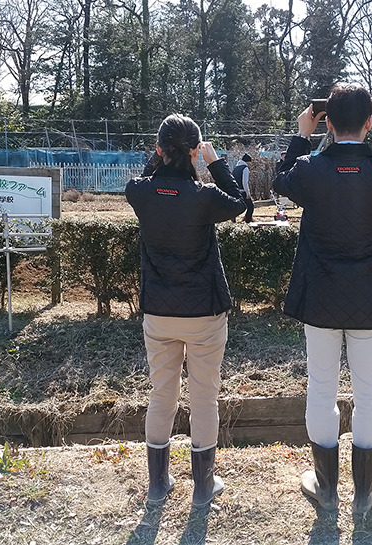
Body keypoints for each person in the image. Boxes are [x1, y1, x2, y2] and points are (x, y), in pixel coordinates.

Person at [274, 83, 372, 515]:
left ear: (328, 123)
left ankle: (327, 488)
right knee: (369, 391)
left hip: (319, 297)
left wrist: (301, 134)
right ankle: (362, 491)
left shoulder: (310, 169)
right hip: (370, 298)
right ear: (371, 121)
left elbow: (280, 181)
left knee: (321, 388)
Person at [124, 114, 246, 506]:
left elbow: (145, 180)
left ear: (159, 151)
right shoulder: (204, 197)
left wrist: (159, 157)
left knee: (162, 394)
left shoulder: (140, 193)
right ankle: (203, 486)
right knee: (204, 397)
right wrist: (213, 162)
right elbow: (241, 203)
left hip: (159, 312)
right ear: (194, 150)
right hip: (204, 312)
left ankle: (158, 485)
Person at [233, 153, 255, 223]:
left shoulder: (236, 168)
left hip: (235, 190)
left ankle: (232, 221)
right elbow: (245, 182)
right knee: (250, 206)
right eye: (249, 162)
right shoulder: (245, 168)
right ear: (247, 161)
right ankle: (248, 221)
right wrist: (248, 193)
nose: (250, 164)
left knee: (235, 207)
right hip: (242, 191)